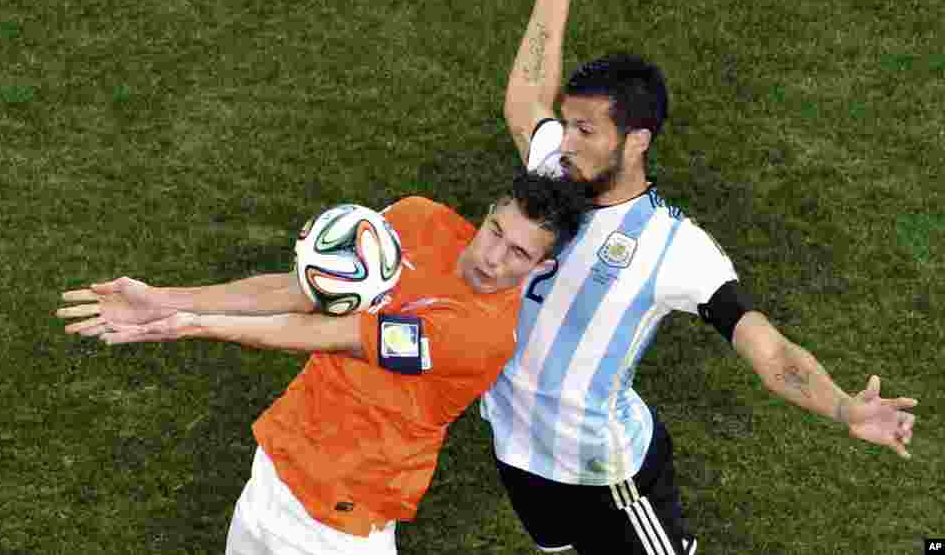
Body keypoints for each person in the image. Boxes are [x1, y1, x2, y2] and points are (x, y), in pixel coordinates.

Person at [479, 0, 919, 555]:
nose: (564, 141)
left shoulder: (672, 247)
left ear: (636, 143)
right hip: (519, 457)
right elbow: (525, 100)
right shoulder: (553, 167)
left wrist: (844, 408)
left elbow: (769, 351)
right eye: (568, 125)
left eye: (586, 130)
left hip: (611, 482)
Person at [56, 172, 585, 555]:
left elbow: (332, 333)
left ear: (543, 266)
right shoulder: (414, 220)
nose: (493, 257)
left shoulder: (480, 335)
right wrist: (164, 299)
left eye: (519, 254)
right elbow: (304, 292)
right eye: (495, 231)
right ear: (489, 211)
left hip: (340, 521)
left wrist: (193, 323)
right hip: (278, 463)